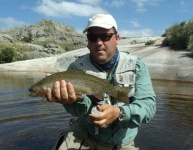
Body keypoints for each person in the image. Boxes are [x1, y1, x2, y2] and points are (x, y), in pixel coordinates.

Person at [45, 14, 156, 150]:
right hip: (84, 134)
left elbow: (148, 106)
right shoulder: (76, 68)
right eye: (93, 37)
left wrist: (120, 113)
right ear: (87, 42)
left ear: (117, 38)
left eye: (105, 36)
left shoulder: (137, 66)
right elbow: (77, 111)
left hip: (122, 141)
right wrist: (76, 100)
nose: (98, 42)